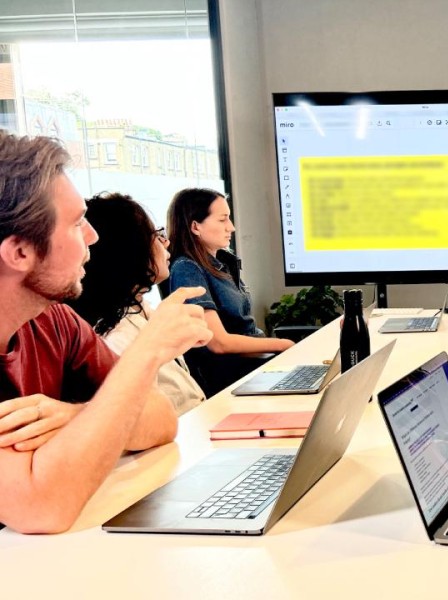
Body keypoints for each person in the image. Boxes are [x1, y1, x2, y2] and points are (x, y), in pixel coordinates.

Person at [0, 132, 212, 533]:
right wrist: (146, 351)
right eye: (77, 223)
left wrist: (71, 417)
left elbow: (161, 419)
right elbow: (41, 510)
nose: (92, 236)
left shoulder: (55, 321)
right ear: (20, 252)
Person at [67, 192, 206, 414]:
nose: (166, 242)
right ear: (129, 247)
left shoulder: (140, 310)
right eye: (156, 235)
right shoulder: (113, 335)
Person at [164, 188, 293, 396]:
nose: (231, 228)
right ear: (195, 226)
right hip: (233, 379)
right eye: (223, 220)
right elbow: (218, 343)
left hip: (255, 367)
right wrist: (282, 345)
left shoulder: (222, 263)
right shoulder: (187, 269)